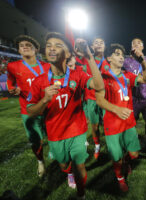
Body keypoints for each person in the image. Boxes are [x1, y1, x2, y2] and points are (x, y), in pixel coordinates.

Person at [27, 32, 104, 199]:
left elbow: (99, 85)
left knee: (79, 164)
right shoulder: (39, 81)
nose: (52, 48)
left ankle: (81, 195)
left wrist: (89, 55)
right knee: (64, 165)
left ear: (68, 54)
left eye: (58, 45)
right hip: (55, 134)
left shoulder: (78, 74)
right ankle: (68, 173)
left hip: (77, 130)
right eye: (49, 46)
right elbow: (31, 111)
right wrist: (45, 100)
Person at [96, 43, 146, 192]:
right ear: (109, 58)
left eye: (122, 54)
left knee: (134, 154)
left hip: (128, 121)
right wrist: (116, 109)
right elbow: (99, 100)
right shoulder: (103, 77)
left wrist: (142, 61)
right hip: (112, 124)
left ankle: (126, 163)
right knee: (117, 158)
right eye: (117, 54)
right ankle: (120, 179)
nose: (121, 57)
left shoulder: (127, 75)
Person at [6, 35, 50, 177]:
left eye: (28, 45)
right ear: (18, 50)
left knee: (53, 134)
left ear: (36, 49)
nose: (24, 47)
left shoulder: (46, 66)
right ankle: (40, 161)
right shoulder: (13, 66)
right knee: (35, 139)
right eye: (21, 45)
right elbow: (10, 82)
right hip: (28, 109)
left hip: (47, 107)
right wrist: (12, 89)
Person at [123, 38, 146, 140]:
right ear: (131, 48)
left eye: (139, 43)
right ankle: (133, 138)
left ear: (142, 47)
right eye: (133, 44)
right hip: (133, 99)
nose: (136, 45)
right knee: (132, 123)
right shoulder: (126, 62)